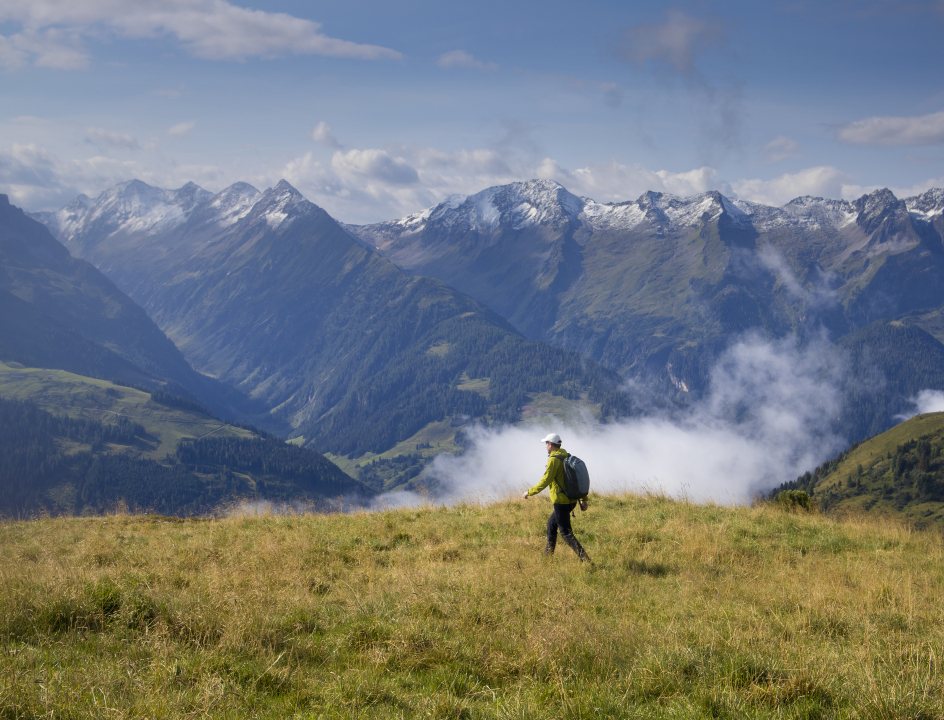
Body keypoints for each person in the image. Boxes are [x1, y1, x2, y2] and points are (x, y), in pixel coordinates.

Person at [522, 433, 591, 562]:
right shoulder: (566, 455)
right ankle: (548, 557)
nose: (545, 446)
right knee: (551, 525)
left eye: (546, 443)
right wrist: (583, 500)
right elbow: (576, 480)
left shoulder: (553, 460)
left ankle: (585, 559)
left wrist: (529, 492)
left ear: (551, 445)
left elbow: (546, 480)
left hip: (561, 502)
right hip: (571, 501)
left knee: (566, 532)